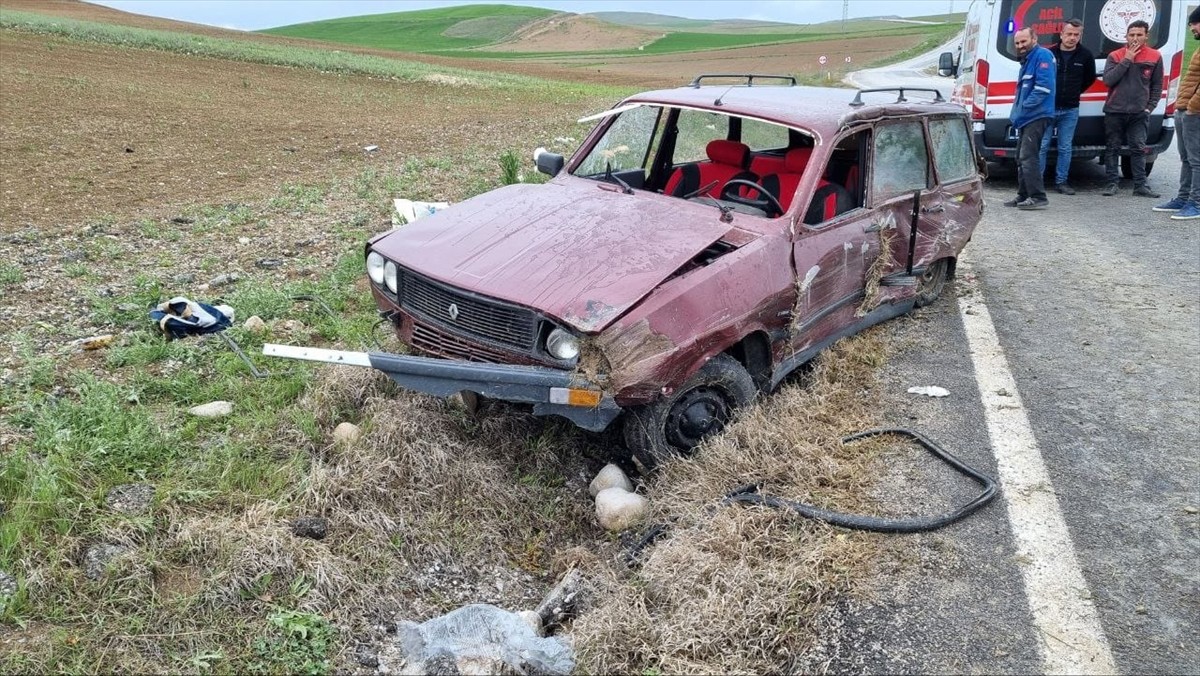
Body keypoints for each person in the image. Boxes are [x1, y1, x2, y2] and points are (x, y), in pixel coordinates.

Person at [1100, 20, 1163, 198]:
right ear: (1126, 36)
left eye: (1139, 35)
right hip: (1114, 109)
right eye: (1131, 35)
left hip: (1139, 112)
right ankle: (1112, 184)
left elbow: (1157, 85)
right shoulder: (1115, 55)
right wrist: (1127, 59)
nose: (1135, 38)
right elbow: (1108, 80)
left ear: (1146, 36)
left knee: (1138, 148)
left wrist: (1149, 108)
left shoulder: (1155, 56)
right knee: (1112, 148)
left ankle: (1141, 186)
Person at [1152, 7, 1200, 220]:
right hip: (1185, 109)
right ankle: (1183, 198)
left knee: (1196, 159)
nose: (1191, 28)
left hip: (1194, 112)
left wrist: (1192, 107)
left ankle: (1196, 203)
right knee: (1186, 158)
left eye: (1194, 23)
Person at [1039, 19, 1097, 195]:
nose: (1072, 38)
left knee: (1065, 147)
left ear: (1080, 35)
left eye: (1076, 34)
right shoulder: (1048, 54)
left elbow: (1090, 79)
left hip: (1070, 109)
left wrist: (1074, 92)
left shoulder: (1086, 56)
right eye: (1069, 34)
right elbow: (1041, 77)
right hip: (1048, 108)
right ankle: (1037, 182)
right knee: (1042, 145)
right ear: (1061, 34)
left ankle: (1062, 182)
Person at [1004, 27, 1056, 210]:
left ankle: (1038, 197)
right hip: (1026, 117)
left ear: (1034, 39)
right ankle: (1023, 195)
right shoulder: (1027, 60)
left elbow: (1043, 88)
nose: (1020, 45)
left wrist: (1024, 108)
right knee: (1021, 157)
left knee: (1028, 156)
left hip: (1037, 115)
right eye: (1017, 43)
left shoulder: (1042, 56)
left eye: (1024, 41)